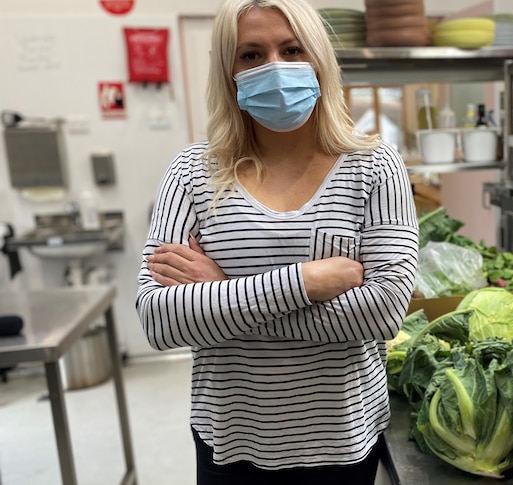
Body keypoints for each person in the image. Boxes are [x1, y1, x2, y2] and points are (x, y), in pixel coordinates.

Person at [135, 0, 419, 483]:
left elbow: (385, 311)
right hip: (230, 440)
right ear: (228, 71)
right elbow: (159, 320)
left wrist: (222, 291)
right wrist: (305, 281)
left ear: (320, 60)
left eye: (292, 49)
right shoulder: (191, 173)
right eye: (251, 54)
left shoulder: (374, 165)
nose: (276, 67)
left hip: (341, 440)